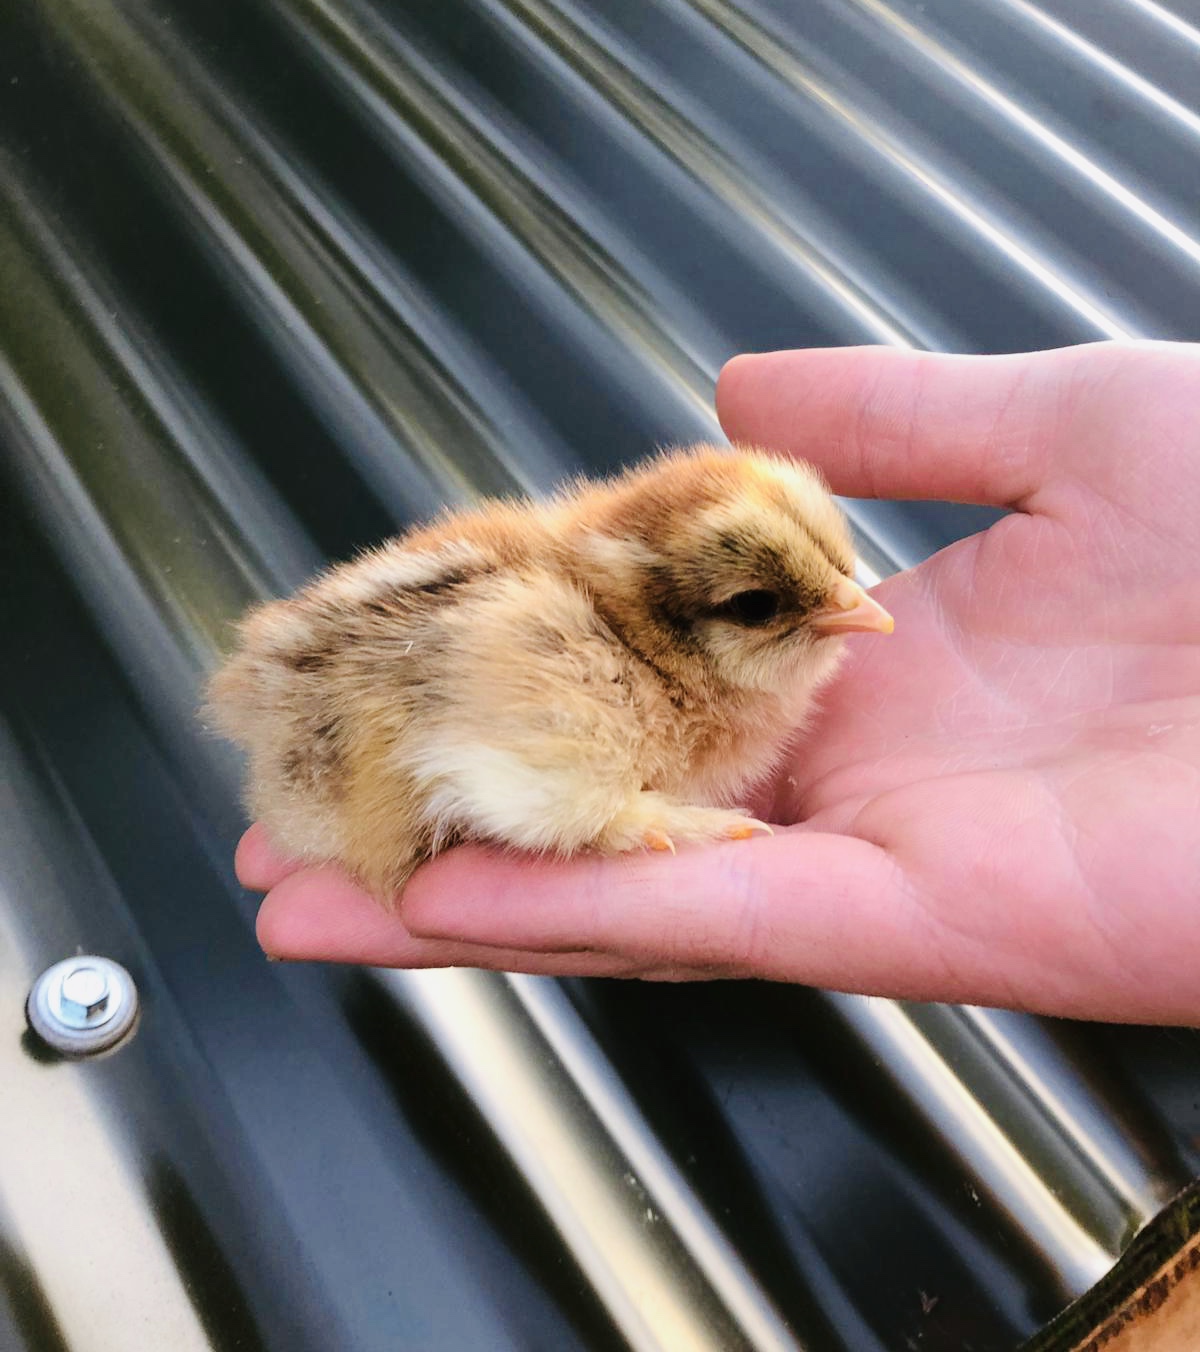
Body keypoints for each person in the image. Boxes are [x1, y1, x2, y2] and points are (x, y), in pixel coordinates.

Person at [236, 341, 1200, 1024]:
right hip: (341, 761)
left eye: (840, 564)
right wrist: (624, 819)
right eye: (757, 607)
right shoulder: (573, 663)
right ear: (665, 624)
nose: (858, 606)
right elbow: (529, 788)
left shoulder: (575, 589)